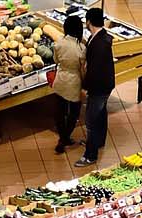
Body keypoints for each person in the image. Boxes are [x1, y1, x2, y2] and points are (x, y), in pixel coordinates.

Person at [77, 7, 115, 166]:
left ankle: (90, 156)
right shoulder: (102, 37)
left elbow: (94, 70)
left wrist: (85, 87)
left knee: (91, 120)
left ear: (89, 22)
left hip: (99, 87)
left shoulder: (98, 43)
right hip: (106, 85)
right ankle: (99, 142)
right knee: (101, 114)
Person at [50, 15, 86, 154]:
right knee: (74, 112)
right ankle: (65, 137)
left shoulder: (59, 43)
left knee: (59, 111)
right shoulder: (81, 48)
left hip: (61, 79)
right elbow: (82, 68)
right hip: (74, 81)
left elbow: (56, 60)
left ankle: (62, 137)